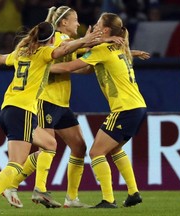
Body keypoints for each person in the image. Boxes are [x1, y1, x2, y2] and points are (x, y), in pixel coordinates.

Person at [0, 21, 100, 213]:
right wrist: (85, 40)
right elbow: (62, 51)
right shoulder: (43, 54)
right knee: (15, 163)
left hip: (7, 110)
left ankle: (30, 189)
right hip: (23, 112)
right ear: (52, 39)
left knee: (50, 144)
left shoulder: (22, 53)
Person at [50, 12, 148, 208]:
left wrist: (41, 69)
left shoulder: (102, 49)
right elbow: (86, 69)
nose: (92, 27)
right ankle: (133, 192)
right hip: (138, 107)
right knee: (115, 149)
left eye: (96, 24)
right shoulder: (118, 46)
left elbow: (69, 67)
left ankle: (108, 199)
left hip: (124, 109)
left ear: (105, 30)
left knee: (96, 153)